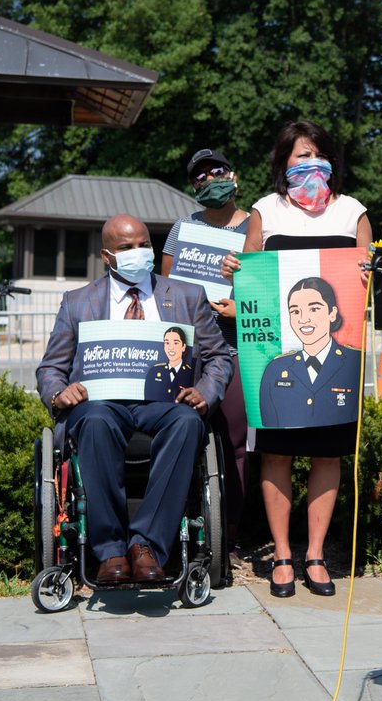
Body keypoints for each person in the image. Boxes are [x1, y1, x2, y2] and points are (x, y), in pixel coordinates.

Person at [36, 214, 232, 584]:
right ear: (107, 256)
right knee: (94, 421)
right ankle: (110, 551)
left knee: (188, 422)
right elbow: (50, 368)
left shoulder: (187, 296)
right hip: (101, 404)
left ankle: (146, 548)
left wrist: (205, 393)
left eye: (144, 244)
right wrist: (61, 393)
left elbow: (219, 356)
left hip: (166, 403)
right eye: (127, 248)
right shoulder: (78, 302)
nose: (138, 253)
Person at [221, 120, 372, 598]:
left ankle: (315, 554)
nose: (307, 164)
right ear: (282, 163)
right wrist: (234, 271)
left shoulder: (353, 212)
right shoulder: (265, 211)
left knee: (328, 454)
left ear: (331, 160)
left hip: (338, 360)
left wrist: (377, 271)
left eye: (315, 154)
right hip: (276, 358)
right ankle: (282, 554)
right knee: (278, 454)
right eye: (297, 156)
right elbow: (246, 280)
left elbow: (370, 279)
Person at [161, 147, 251, 547]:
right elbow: (166, 294)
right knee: (185, 437)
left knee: (235, 442)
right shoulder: (182, 230)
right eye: (201, 176)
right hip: (191, 353)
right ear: (193, 187)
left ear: (233, 177)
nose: (210, 180)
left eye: (217, 171)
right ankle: (184, 523)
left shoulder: (256, 227)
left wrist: (242, 308)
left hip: (238, 350)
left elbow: (273, 287)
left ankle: (229, 532)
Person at [259, 277, 360, 427]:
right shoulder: (276, 369)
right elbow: (271, 430)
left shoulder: (355, 360)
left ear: (332, 313)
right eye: (295, 311)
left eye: (314, 309)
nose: (303, 319)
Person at [144, 327, 194, 403]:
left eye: (176, 343)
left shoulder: (190, 373)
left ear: (183, 347)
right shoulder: (154, 371)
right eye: (167, 343)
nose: (171, 347)